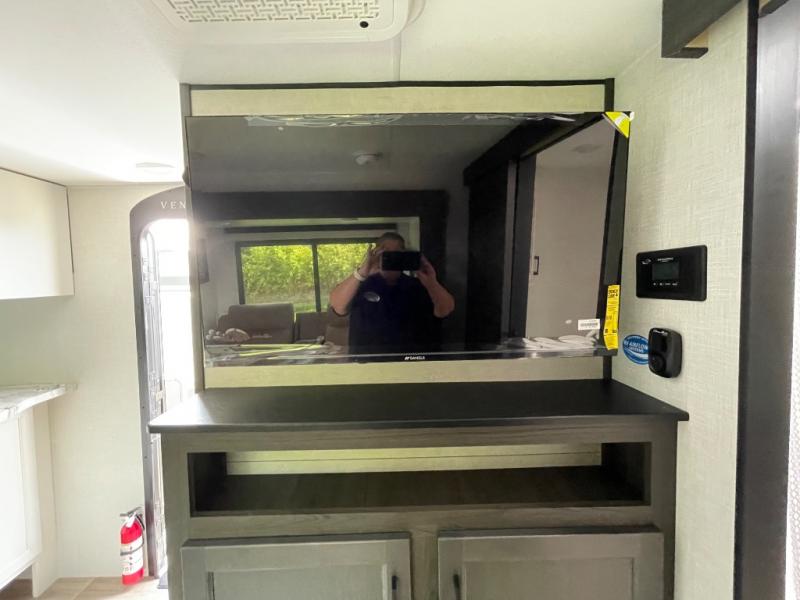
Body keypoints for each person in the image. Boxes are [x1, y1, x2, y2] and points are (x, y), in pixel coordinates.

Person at [329, 232, 455, 352]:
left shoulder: (420, 285)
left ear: (404, 256)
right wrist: (362, 271)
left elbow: (446, 310)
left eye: (397, 254)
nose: (392, 258)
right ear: (376, 255)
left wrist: (432, 282)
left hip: (413, 361)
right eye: (386, 254)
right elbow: (338, 306)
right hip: (366, 362)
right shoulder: (359, 285)